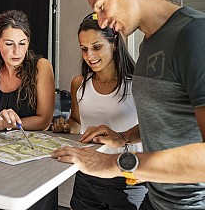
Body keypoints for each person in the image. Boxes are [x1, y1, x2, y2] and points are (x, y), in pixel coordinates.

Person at [52, 0, 205, 210]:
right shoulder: (149, 44)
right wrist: (123, 137)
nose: (101, 21)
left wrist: (115, 164)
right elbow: (164, 122)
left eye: (101, 7)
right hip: (156, 198)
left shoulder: (198, 34)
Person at [52, 13, 147, 210]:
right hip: (88, 177)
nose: (90, 56)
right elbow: (77, 121)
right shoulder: (79, 84)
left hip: (128, 178)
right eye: (84, 49)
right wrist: (66, 126)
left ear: (113, 44)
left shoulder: (137, 83)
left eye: (97, 47)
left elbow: (152, 128)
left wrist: (122, 137)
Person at [0, 10, 56, 210]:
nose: (17, 51)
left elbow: (43, 120)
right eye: (9, 44)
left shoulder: (41, 67)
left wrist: (5, 126)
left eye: (22, 43)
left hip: (35, 164)